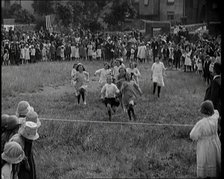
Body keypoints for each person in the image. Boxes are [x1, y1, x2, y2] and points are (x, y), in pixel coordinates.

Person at [190, 100, 221, 178]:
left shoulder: (201, 123)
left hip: (205, 145)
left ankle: (206, 175)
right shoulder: (215, 117)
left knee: (205, 160)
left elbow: (193, 135)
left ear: (203, 111)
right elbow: (216, 111)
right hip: (215, 142)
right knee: (214, 158)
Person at [204, 62, 221, 136]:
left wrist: (210, 108)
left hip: (215, 108)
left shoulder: (215, 82)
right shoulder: (219, 80)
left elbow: (214, 97)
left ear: (214, 70)